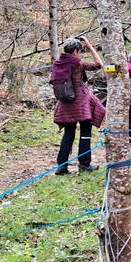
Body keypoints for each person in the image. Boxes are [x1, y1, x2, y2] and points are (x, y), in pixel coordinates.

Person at [50, 36, 105, 175]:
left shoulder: (58, 63)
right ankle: (84, 164)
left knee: (68, 133)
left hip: (66, 102)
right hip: (80, 101)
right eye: (79, 50)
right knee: (85, 131)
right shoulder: (77, 63)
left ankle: (61, 167)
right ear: (75, 51)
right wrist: (89, 45)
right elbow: (99, 64)